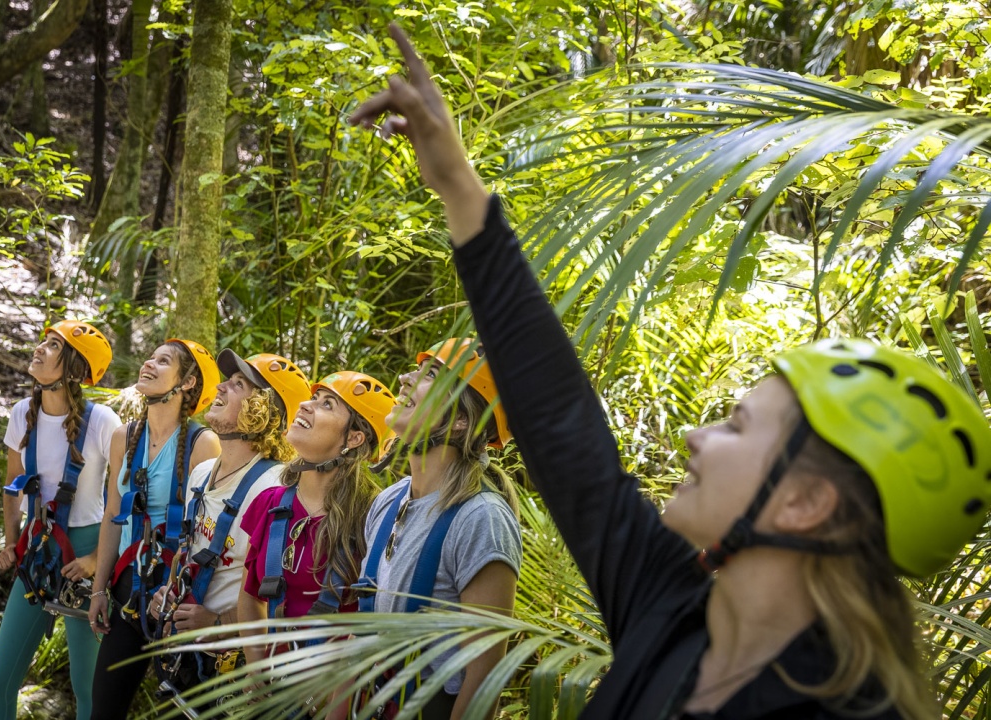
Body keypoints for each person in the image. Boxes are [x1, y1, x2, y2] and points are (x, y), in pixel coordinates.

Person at [348, 26, 991, 720]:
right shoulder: (673, 607)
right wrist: (456, 183)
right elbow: (561, 420)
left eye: (738, 425)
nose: (695, 433)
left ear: (804, 503)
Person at [355, 338, 522, 720]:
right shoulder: (390, 499)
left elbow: (484, 681)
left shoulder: (481, 519)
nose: (404, 378)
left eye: (430, 374)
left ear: (461, 420)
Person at [148, 350, 310, 699]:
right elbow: (193, 550)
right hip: (186, 656)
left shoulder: (275, 489)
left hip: (232, 669)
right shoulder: (203, 473)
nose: (220, 387)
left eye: (238, 384)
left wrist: (219, 622)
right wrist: (171, 592)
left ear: (264, 410)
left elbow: (279, 596)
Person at [0, 320, 121, 720]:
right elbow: (13, 486)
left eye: (53, 346)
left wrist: (98, 560)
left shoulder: (102, 422)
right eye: (43, 342)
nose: (40, 349)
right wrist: (10, 543)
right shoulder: (20, 414)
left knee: (88, 688)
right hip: (37, 552)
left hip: (86, 552)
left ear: (75, 369)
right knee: (1, 681)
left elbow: (122, 501)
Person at [88, 338, 221, 719]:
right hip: (128, 591)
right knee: (104, 709)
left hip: (173, 595)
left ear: (188, 383)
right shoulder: (124, 437)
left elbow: (204, 532)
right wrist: (99, 590)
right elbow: (114, 514)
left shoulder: (202, 444)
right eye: (150, 357)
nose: (149, 363)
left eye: (163, 362)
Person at [236, 371, 394, 667]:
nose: (305, 405)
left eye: (327, 404)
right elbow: (250, 597)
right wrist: (256, 674)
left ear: (354, 437)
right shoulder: (269, 504)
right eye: (312, 398)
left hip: (336, 693)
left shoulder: (373, 518)